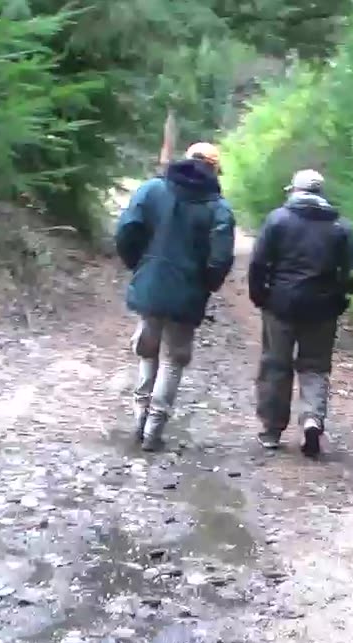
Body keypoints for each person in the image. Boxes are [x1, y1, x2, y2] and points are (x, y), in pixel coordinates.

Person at [115, 142, 236, 451]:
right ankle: (154, 429)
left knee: (147, 349)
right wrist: (207, 284)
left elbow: (127, 229)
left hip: (151, 283)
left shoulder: (152, 189)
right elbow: (221, 258)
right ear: (214, 169)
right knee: (174, 359)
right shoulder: (218, 207)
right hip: (188, 292)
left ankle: (139, 416)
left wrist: (139, 265)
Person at [248, 169, 353, 457]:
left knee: (276, 365)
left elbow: (259, 263)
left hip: (281, 305)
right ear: (321, 194)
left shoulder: (278, 219)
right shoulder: (341, 227)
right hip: (322, 308)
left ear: (294, 191)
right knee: (315, 367)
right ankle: (312, 419)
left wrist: (260, 296)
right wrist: (340, 302)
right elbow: (350, 273)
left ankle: (272, 430)